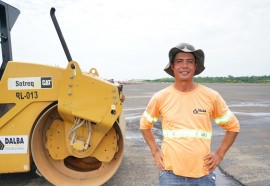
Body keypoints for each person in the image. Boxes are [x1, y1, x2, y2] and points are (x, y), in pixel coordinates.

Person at [140, 43, 240, 186]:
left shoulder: (211, 96)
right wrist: (155, 151)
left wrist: (219, 154)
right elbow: (145, 125)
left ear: (195, 66)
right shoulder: (160, 97)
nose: (184, 65)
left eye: (189, 61)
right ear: (172, 66)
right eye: (179, 61)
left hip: (203, 175)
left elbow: (233, 126)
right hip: (170, 176)